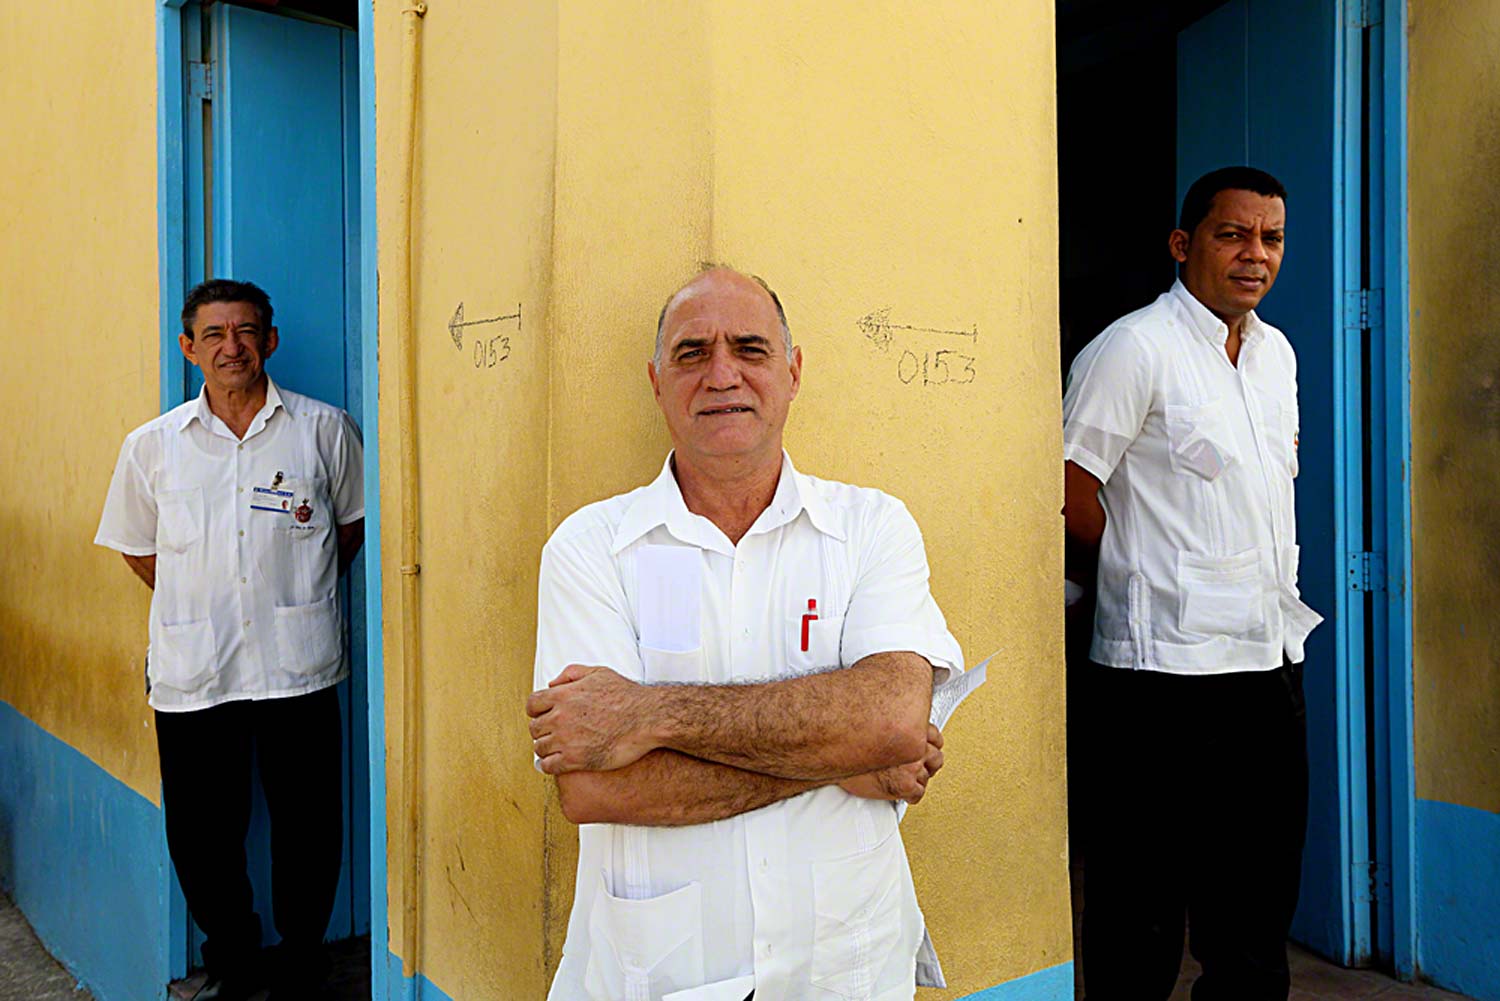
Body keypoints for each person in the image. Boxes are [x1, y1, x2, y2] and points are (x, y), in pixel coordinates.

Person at [525, 266, 961, 1001]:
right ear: (657, 382)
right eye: (692, 353)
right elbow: (595, 787)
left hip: (845, 969)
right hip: (666, 974)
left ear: (793, 372)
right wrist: (841, 758)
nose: (722, 373)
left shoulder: (872, 527)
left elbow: (890, 721)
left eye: (750, 348)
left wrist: (647, 714)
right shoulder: (590, 547)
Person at [1061, 166, 1325, 1000]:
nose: (1255, 254)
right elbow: (1068, 484)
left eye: (1271, 238)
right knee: (1138, 919)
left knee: (1253, 918)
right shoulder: (1134, 348)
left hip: (1267, 666)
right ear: (1184, 244)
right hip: (1158, 682)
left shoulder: (1276, 355)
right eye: (1232, 234)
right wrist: (1137, 558)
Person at [95, 279, 364, 1001]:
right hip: (197, 669)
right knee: (203, 834)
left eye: (245, 331)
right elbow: (138, 548)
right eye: (213, 334)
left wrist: (287, 589)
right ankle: (235, 965)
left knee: (309, 826)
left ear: (269, 340)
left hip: (297, 667)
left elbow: (349, 527)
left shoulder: (323, 430)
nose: (231, 347)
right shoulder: (153, 447)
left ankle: (303, 962)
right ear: (189, 348)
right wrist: (205, 596)